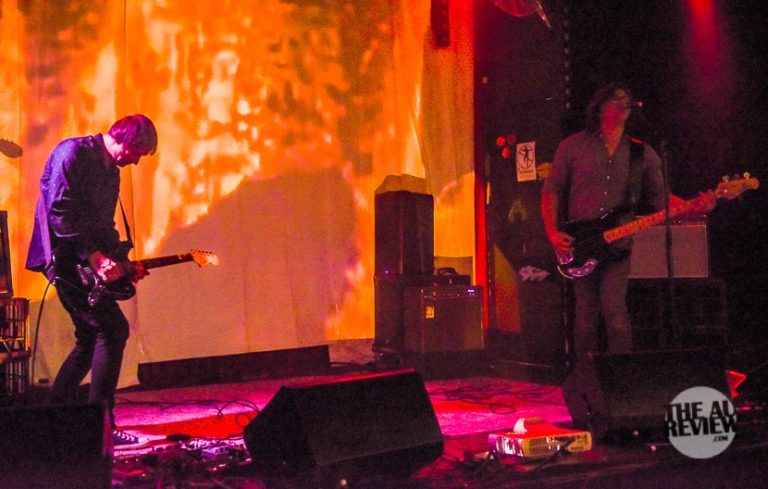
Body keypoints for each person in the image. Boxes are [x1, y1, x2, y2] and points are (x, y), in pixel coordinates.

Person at [541, 83, 714, 364]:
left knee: (616, 314)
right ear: (600, 106)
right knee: (585, 317)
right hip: (581, 242)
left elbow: (661, 198)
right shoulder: (572, 146)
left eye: (627, 99)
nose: (624, 103)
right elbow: (551, 190)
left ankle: (621, 376)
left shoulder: (641, 153)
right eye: (617, 99)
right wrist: (552, 232)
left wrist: (695, 206)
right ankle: (585, 375)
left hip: (618, 245)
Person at [26, 114, 157, 444]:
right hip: (64, 260)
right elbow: (60, 214)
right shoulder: (73, 153)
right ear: (121, 138)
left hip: (83, 260)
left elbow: (103, 226)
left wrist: (122, 263)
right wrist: (96, 257)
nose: (136, 161)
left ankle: (49, 421)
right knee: (112, 330)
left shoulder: (111, 171)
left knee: (89, 340)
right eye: (136, 152)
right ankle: (100, 429)